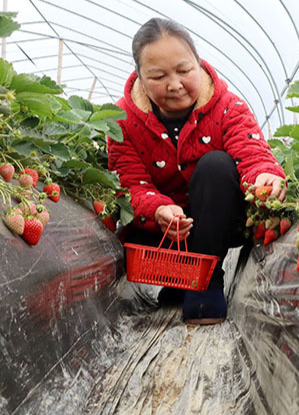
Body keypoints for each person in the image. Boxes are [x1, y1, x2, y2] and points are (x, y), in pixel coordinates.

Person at [108, 18, 287, 325]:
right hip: (163, 233)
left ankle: (205, 282)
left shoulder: (228, 108)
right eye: (158, 76)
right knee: (124, 233)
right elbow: (129, 183)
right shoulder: (122, 121)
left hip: (218, 225)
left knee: (216, 165)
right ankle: (181, 279)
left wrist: (264, 176)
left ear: (198, 63)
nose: (174, 85)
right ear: (139, 76)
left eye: (183, 70)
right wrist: (158, 208)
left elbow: (251, 152)